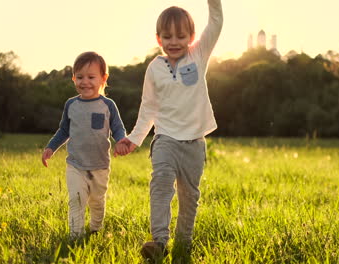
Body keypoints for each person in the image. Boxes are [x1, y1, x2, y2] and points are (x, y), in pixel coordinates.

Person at [116, 0, 223, 260]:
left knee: (190, 196)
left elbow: (216, 23)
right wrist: (134, 138)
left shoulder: (198, 56)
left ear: (192, 37)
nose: (173, 41)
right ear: (158, 38)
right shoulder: (154, 68)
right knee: (161, 183)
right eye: (167, 36)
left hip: (194, 143)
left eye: (180, 36)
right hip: (165, 139)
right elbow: (148, 107)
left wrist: (214, 3)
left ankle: (183, 243)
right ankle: (159, 242)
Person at [42, 51, 127, 239]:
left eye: (91, 77)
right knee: (76, 200)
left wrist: (122, 141)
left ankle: (96, 229)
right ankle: (75, 235)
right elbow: (64, 130)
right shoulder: (71, 105)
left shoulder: (108, 105)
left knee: (97, 201)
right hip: (75, 164)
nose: (85, 82)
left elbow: (118, 128)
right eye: (80, 77)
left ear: (103, 79)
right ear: (73, 78)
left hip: (100, 166)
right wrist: (50, 148)